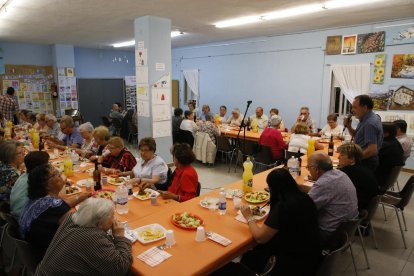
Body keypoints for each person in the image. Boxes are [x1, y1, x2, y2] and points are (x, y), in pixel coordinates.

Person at [237, 168, 321, 275]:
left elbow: (260, 238)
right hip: (312, 255)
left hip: (292, 263)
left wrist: (249, 217)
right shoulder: (305, 198)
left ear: (274, 189)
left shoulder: (283, 207)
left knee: (249, 255)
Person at [35, 198, 132, 276]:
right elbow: (120, 268)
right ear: (100, 223)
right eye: (112, 216)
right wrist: (120, 237)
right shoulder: (93, 237)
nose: (114, 220)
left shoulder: (71, 218)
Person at [19, 164, 90, 261]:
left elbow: (63, 204)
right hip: (48, 255)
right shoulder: (54, 207)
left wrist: (83, 196)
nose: (60, 174)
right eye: (56, 174)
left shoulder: (37, 199)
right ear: (46, 185)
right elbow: (82, 224)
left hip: (32, 250)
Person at [307, 152, 358, 247]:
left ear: (316, 169)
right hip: (346, 228)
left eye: (308, 167)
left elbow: (305, 208)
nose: (308, 170)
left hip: (329, 233)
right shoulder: (341, 174)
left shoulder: (324, 183)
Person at [343, 95, 383, 171]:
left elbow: (372, 150)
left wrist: (353, 160)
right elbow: (356, 135)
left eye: (355, 107)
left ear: (364, 108)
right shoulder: (366, 119)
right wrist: (348, 126)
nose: (352, 110)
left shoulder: (369, 123)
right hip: (364, 159)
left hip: (365, 162)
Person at [337, 143, 378, 211]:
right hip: (366, 206)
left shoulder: (347, 172)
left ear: (352, 159)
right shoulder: (363, 167)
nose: (338, 157)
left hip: (357, 208)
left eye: (342, 155)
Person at [10, 151, 50, 219]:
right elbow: (54, 198)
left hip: (16, 213)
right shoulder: (35, 181)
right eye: (47, 164)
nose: (49, 166)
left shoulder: (23, 176)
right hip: (25, 217)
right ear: (41, 167)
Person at [376, 122, 404, 193]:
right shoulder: (396, 143)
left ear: (386, 134)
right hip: (387, 178)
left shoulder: (384, 145)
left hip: (380, 179)